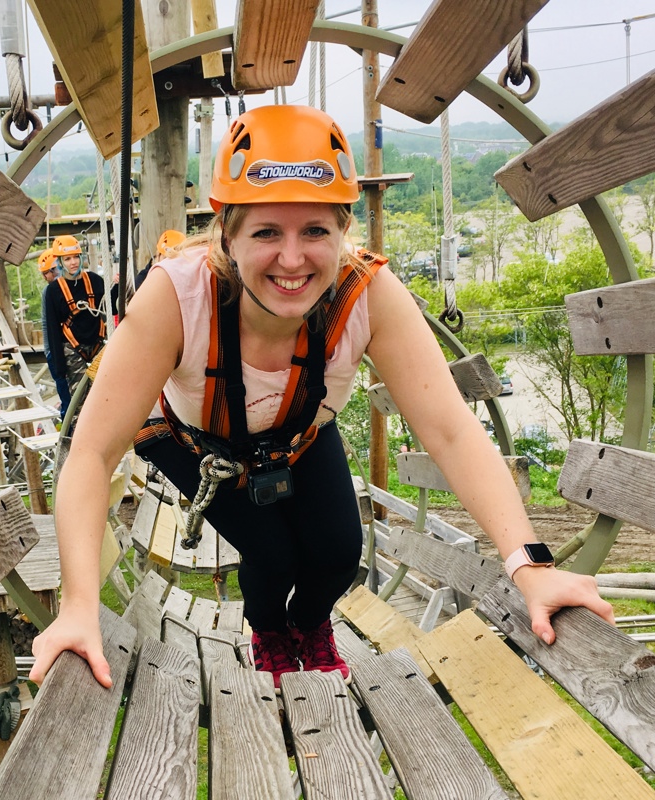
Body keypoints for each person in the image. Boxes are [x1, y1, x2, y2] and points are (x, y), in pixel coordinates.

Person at [30, 105, 613, 692]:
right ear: (226, 234)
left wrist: (531, 566)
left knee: (338, 552)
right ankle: (270, 635)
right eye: (265, 233)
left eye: (315, 231)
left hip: (300, 429)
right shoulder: (178, 295)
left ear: (343, 232)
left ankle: (309, 626)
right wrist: (79, 604)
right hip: (196, 440)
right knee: (273, 555)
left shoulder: (366, 293)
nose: (292, 259)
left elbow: (452, 431)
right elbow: (93, 452)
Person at [43, 235, 106, 398]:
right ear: (60, 262)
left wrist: (119, 286)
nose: (73, 262)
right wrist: (59, 367)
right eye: (68, 259)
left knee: (107, 391)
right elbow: (53, 330)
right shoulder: (53, 291)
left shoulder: (95, 281)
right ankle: (80, 423)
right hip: (72, 348)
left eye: (76, 257)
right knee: (80, 399)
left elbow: (108, 307)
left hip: (97, 342)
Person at [38, 248, 72, 420]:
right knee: (66, 392)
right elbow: (47, 323)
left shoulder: (64, 286)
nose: (46, 277)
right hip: (57, 349)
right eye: (44, 274)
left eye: (47, 273)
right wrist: (49, 351)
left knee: (70, 393)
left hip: (71, 347)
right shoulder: (50, 291)